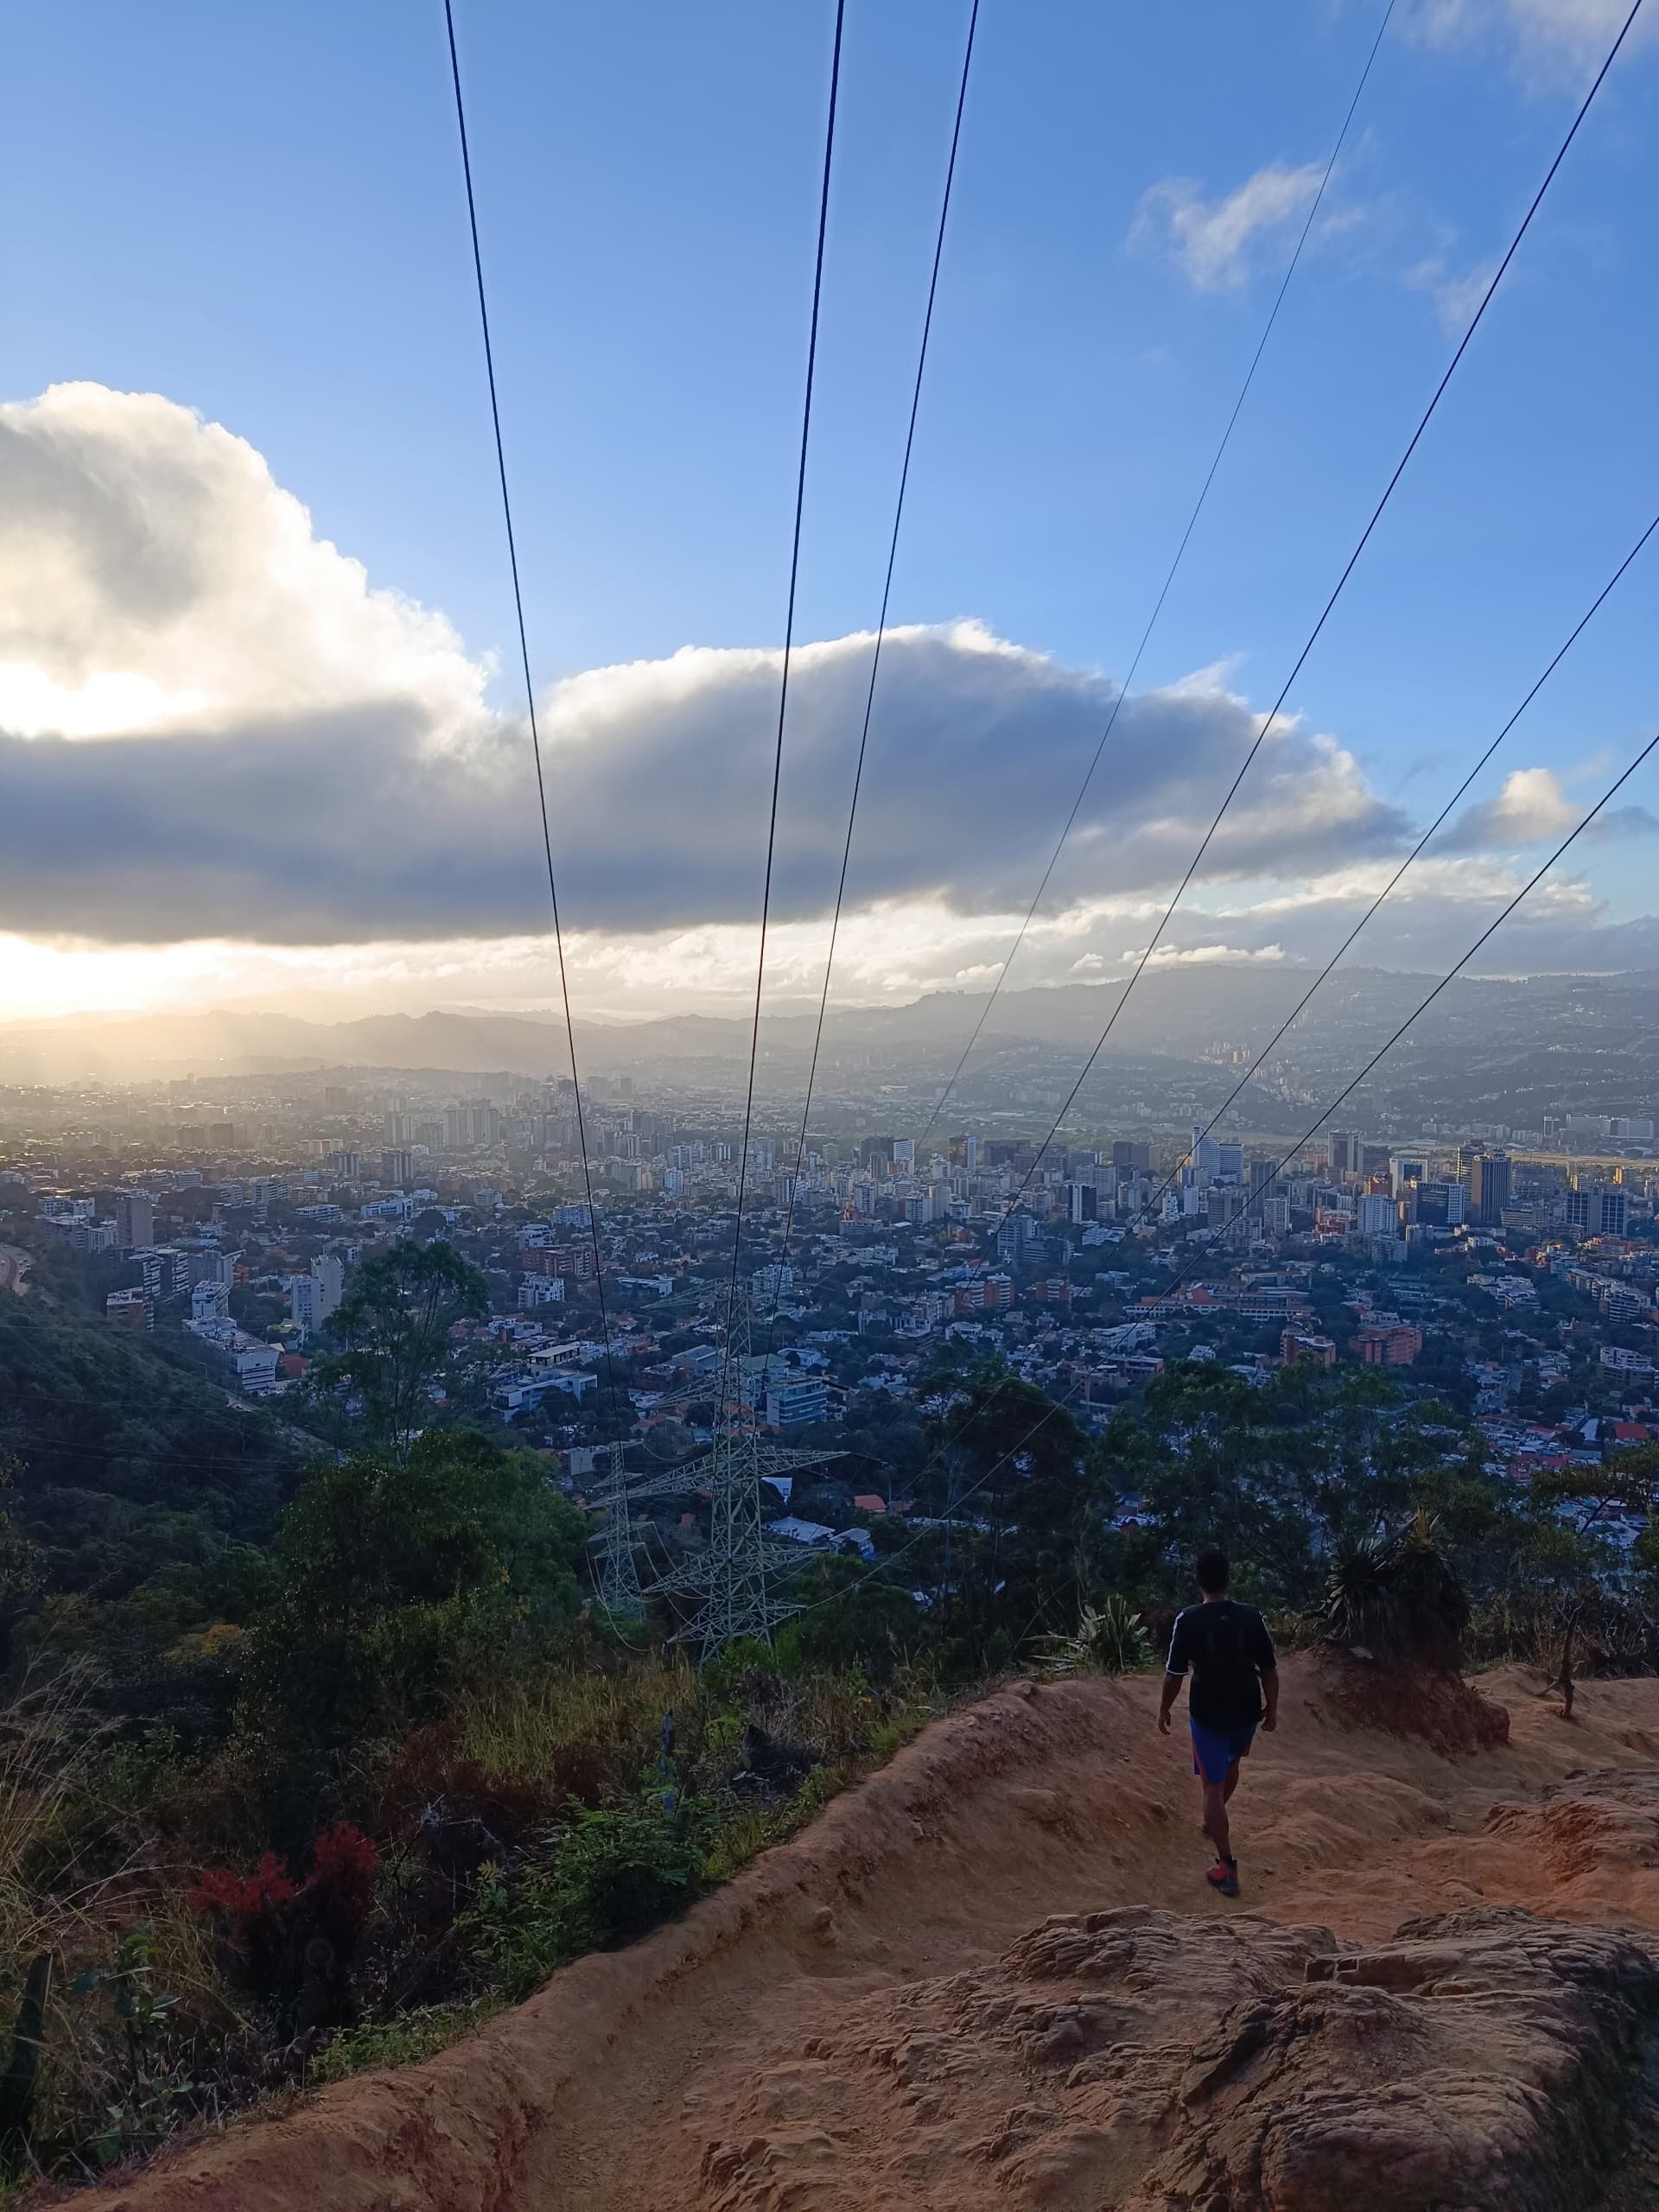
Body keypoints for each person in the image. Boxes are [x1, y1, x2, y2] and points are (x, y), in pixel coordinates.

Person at [1157, 1548, 1278, 1897]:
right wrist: (1272, 1709)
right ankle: (1214, 1820)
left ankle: (1226, 1867)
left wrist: (1163, 1709)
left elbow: (1174, 1675)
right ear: (1228, 1579)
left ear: (1199, 1583)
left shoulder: (1189, 1619)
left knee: (1212, 1784)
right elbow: (1269, 1670)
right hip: (1246, 1709)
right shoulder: (1252, 1617)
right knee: (1231, 1763)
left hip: (1208, 1712)